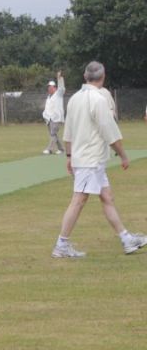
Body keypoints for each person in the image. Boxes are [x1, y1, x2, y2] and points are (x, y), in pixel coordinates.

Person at [52, 61, 147, 258]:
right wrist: (123, 155)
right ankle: (61, 245)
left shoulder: (74, 99)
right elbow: (110, 132)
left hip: (85, 159)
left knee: (107, 198)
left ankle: (126, 239)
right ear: (102, 77)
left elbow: (67, 132)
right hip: (90, 160)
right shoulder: (98, 99)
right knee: (79, 200)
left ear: (85, 77)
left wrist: (69, 155)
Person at [42, 71, 65, 155]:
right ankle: (61, 149)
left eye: (50, 87)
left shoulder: (58, 94)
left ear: (55, 87)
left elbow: (62, 88)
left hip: (56, 118)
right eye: (48, 87)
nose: (48, 88)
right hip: (49, 119)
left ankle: (49, 149)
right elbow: (47, 108)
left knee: (53, 133)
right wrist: (44, 115)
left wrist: (59, 79)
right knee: (54, 135)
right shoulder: (48, 97)